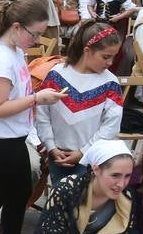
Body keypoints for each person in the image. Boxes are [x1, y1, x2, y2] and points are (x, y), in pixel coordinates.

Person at [0, 0, 63, 234]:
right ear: (16, 27)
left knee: (19, 194)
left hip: (11, 138)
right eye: (34, 34)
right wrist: (37, 99)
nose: (36, 40)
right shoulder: (0, 59)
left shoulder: (14, 51)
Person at [35, 21, 124, 184]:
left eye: (113, 57)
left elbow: (111, 126)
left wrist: (84, 152)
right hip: (57, 155)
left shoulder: (110, 83)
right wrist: (51, 146)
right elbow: (42, 113)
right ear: (87, 51)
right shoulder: (57, 74)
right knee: (60, 200)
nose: (110, 63)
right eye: (106, 56)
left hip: (91, 158)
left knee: (82, 203)